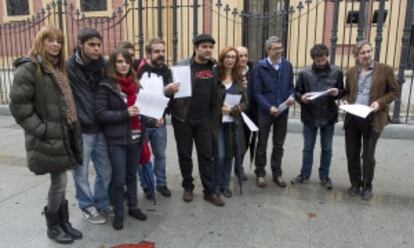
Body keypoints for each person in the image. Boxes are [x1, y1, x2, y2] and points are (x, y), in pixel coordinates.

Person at [9, 25, 83, 244]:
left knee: (61, 179)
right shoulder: (30, 68)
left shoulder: (57, 68)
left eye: (59, 41)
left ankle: (63, 222)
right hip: (48, 136)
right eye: (50, 40)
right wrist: (41, 129)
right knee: (59, 181)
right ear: (40, 42)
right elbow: (19, 106)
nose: (55, 45)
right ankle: (54, 226)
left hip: (65, 133)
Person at [95, 48, 160, 230]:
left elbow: (142, 112)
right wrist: (124, 114)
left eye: (127, 62)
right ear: (113, 64)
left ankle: (133, 207)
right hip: (117, 140)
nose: (124, 65)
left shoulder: (136, 85)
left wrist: (154, 121)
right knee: (118, 178)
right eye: (120, 62)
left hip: (136, 138)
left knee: (132, 175)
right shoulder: (106, 86)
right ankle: (119, 212)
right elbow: (100, 114)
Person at [171, 33, 224, 206]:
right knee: (185, 155)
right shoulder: (182, 66)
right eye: (204, 47)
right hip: (183, 118)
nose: (208, 50)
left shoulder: (215, 67)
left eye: (210, 47)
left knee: (206, 156)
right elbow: (172, 93)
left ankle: (209, 191)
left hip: (205, 119)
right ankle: (188, 187)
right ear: (196, 48)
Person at [342, 40, 398, 200]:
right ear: (356, 56)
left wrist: (379, 103)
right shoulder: (351, 72)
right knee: (352, 153)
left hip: (372, 118)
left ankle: (367, 186)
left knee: (367, 155)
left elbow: (394, 91)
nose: (367, 55)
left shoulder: (385, 70)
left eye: (369, 51)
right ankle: (355, 183)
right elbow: (347, 92)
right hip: (353, 117)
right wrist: (345, 100)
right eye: (363, 53)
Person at [67, 28, 112, 224]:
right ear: (80, 44)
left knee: (106, 170)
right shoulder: (68, 66)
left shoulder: (104, 65)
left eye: (98, 45)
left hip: (101, 127)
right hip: (82, 129)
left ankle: (101, 201)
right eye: (91, 45)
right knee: (81, 172)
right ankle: (86, 205)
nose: (96, 49)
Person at [291, 44, 345, 189]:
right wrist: (301, 98)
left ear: (327, 57)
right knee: (308, 147)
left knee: (327, 148)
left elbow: (342, 91)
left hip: (328, 116)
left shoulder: (337, 72)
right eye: (317, 60)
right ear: (313, 59)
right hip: (310, 115)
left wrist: (337, 93)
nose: (320, 62)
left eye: (323, 59)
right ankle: (304, 174)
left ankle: (324, 176)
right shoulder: (304, 73)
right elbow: (296, 92)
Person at [135, 38, 175, 198]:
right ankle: (146, 185)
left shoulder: (167, 71)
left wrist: (169, 93)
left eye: (163, 51)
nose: (161, 54)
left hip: (159, 121)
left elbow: (170, 98)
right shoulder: (140, 71)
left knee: (161, 155)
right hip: (142, 121)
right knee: (143, 156)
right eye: (157, 51)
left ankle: (161, 183)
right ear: (148, 53)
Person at [252, 36, 294, 188]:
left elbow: (291, 86)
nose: (279, 51)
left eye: (280, 48)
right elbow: (256, 92)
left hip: (282, 111)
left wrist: (291, 97)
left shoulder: (287, 65)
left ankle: (277, 173)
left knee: (279, 144)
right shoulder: (259, 67)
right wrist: (268, 107)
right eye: (275, 49)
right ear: (268, 50)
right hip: (265, 111)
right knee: (261, 143)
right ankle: (260, 173)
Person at [213, 47, 247, 197]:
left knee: (229, 155)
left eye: (233, 57)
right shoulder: (215, 77)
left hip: (232, 123)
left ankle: (225, 185)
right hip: (216, 123)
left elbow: (246, 103)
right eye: (227, 56)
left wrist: (234, 110)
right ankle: (216, 185)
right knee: (219, 155)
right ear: (222, 58)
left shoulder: (239, 79)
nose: (230, 60)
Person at [236, 46, 256, 181]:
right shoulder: (229, 71)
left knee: (245, 141)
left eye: (245, 55)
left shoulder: (254, 71)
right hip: (233, 112)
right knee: (231, 142)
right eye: (240, 56)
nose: (243, 58)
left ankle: (239, 166)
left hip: (249, 113)